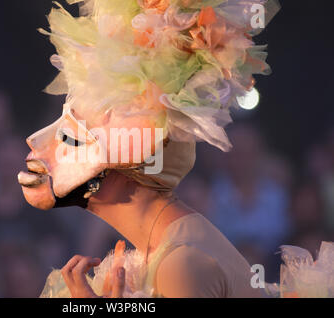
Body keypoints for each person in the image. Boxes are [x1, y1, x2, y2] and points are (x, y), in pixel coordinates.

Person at [19, 0, 281, 298]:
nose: (33, 140)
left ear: (130, 160)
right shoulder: (168, 251)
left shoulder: (181, 263)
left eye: (71, 138)